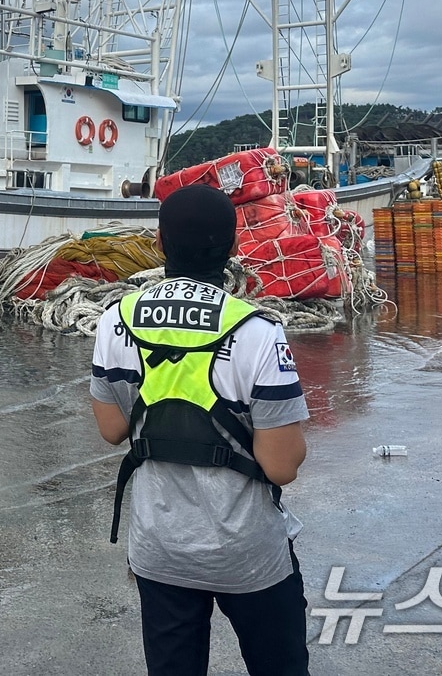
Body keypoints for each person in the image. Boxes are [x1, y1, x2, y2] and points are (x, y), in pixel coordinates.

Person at [90, 184, 310, 676]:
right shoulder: (257, 330)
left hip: (159, 547)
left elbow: (111, 429)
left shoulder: (115, 321)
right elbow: (281, 466)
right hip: (246, 552)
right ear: (233, 248)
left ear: (160, 243)